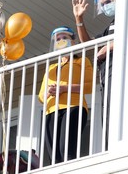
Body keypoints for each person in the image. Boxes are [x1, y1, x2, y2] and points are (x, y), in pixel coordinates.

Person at [38, 26, 93, 164]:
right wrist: (50, 92)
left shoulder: (81, 61)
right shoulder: (51, 68)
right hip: (51, 110)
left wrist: (64, 88)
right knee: (54, 156)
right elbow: (41, 97)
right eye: (57, 39)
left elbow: (88, 86)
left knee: (66, 150)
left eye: (64, 38)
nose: (61, 41)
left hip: (73, 106)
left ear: (72, 41)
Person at [72, 0, 116, 149]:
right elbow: (89, 44)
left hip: (122, 79)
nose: (105, 7)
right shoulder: (109, 28)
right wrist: (79, 19)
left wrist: (109, 47)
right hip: (106, 82)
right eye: (102, 5)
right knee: (109, 122)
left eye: (107, 2)